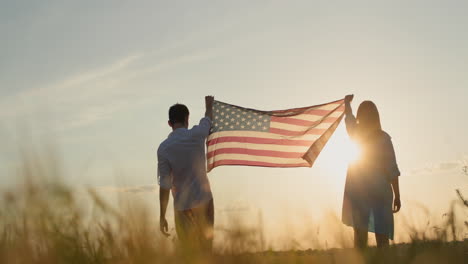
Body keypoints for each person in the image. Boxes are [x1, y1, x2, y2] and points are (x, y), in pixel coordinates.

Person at [342, 94, 401, 248]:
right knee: (382, 237)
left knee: (360, 237)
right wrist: (397, 195)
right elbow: (392, 168)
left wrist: (347, 103)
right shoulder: (383, 138)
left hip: (359, 191)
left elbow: (349, 117)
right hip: (380, 191)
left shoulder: (356, 133)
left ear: (360, 117)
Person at [157, 96, 215, 251]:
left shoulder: (164, 149)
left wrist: (162, 216)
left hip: (182, 207)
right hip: (205, 201)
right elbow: (208, 118)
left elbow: (164, 185)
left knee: (188, 254)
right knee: (206, 250)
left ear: (170, 123)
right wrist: (209, 105)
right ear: (187, 118)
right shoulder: (197, 135)